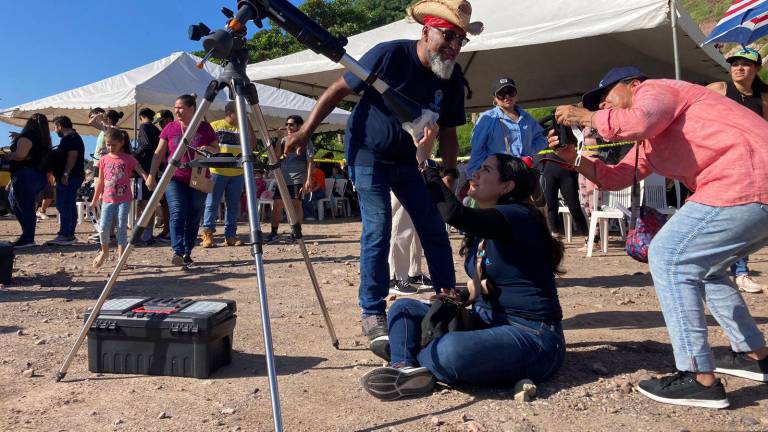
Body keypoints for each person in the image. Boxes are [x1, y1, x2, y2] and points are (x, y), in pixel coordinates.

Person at [551, 66, 768, 409]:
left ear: (634, 85)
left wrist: (588, 117)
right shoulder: (655, 138)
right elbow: (618, 176)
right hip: (753, 185)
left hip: (745, 178)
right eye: (600, 105)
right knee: (708, 268)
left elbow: (638, 121)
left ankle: (698, 378)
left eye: (608, 99)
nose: (605, 107)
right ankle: (754, 355)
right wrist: (575, 160)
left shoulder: (657, 90)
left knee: (668, 255)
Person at [284, 0, 481, 358]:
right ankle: (372, 312)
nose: (453, 46)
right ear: (426, 31)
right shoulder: (389, 55)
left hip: (409, 163)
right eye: (448, 37)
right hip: (367, 154)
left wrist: (449, 173)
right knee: (378, 227)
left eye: (460, 41)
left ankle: (445, 300)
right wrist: (306, 132)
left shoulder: (452, 78)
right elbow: (336, 91)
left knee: (433, 227)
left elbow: (450, 133)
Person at [361, 142, 566, 400]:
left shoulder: (517, 216)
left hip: (531, 335)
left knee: (450, 351)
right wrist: (460, 298)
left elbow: (453, 213)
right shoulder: (485, 226)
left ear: (507, 186)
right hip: (487, 322)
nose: (475, 173)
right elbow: (483, 283)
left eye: (486, 169)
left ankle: (411, 354)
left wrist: (427, 165)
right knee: (404, 308)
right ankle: (404, 368)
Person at [706, 47, 768, 294]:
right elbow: (691, 104)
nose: (739, 68)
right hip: (719, 160)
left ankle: (740, 272)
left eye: (745, 64)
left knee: (742, 217)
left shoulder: (762, 98)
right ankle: (717, 268)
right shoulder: (720, 89)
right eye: (735, 64)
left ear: (756, 69)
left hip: (750, 164)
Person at [147, 94, 219, 266]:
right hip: (175, 177)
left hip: (198, 177)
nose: (176, 110)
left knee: (194, 215)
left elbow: (216, 149)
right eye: (175, 107)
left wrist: (208, 148)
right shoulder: (170, 128)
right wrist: (151, 174)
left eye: (180, 107)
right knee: (178, 211)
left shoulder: (205, 128)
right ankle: (177, 251)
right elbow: (158, 153)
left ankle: (187, 251)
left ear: (192, 109)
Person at [91, 129, 150, 267]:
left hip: (124, 199)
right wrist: (94, 199)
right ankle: (104, 251)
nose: (110, 147)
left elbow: (139, 169)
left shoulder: (128, 158)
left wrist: (146, 177)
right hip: (107, 199)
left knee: (122, 227)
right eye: (108, 144)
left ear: (121, 143)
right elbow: (100, 181)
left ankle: (121, 258)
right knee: (104, 227)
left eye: (113, 145)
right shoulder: (104, 159)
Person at [466, 77, 547, 177]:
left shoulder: (527, 118)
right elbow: (477, 151)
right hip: (497, 177)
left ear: (516, 94)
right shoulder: (487, 118)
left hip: (524, 174)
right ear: (495, 98)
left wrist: (527, 153)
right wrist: (472, 178)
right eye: (501, 94)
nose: (507, 96)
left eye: (511, 91)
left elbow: (542, 138)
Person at [202, 102, 245, 247]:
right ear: (229, 112)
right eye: (239, 112)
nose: (241, 115)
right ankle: (207, 234)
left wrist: (248, 122)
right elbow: (206, 145)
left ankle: (230, 235)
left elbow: (251, 143)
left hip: (237, 173)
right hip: (217, 172)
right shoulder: (214, 126)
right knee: (212, 204)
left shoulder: (243, 128)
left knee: (233, 205)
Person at [265, 115, 315, 243]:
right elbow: (276, 157)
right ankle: (273, 232)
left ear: (299, 126)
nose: (288, 127)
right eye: (287, 124)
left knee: (295, 205)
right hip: (283, 178)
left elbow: (310, 161)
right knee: (277, 205)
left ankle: (296, 234)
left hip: (298, 178)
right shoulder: (283, 140)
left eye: (291, 124)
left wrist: (309, 179)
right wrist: (278, 139)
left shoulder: (305, 140)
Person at [5, 114, 51, 248]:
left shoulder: (27, 137)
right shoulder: (44, 140)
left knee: (23, 206)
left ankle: (28, 237)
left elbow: (20, 156)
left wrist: (10, 155)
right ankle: (27, 234)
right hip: (38, 176)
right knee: (16, 202)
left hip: (25, 174)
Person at [46, 116, 86, 246]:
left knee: (64, 204)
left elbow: (72, 155)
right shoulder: (71, 138)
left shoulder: (71, 138)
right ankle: (69, 234)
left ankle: (66, 234)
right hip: (71, 176)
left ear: (59, 126)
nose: (54, 130)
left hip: (70, 177)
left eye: (55, 127)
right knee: (68, 204)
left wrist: (66, 174)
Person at [388, 193, 433, 295]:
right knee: (401, 225)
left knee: (414, 228)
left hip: (415, 180)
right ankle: (394, 278)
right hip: (399, 180)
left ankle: (414, 273)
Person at [134, 107, 161, 245]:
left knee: (142, 201)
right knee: (149, 200)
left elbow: (146, 144)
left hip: (144, 166)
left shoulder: (144, 127)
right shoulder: (157, 130)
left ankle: (143, 233)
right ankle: (148, 233)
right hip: (154, 167)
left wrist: (135, 154)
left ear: (141, 117)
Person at [152, 109, 175, 243]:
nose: (160, 125)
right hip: (165, 172)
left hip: (174, 173)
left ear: (168, 120)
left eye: (161, 122)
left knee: (170, 204)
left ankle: (169, 231)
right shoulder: (162, 134)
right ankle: (167, 230)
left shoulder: (176, 132)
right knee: (165, 203)